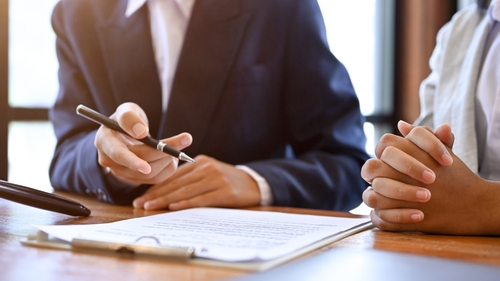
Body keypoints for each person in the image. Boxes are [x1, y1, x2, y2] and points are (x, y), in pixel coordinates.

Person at [48, 0, 369, 212]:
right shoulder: (77, 13)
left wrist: (255, 182)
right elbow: (64, 157)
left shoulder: (281, 8)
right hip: (123, 254)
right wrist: (109, 160)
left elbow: (350, 165)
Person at [361, 0, 500, 235]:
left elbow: (458, 202)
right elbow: (427, 173)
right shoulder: (459, 32)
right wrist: (399, 187)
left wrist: (478, 206)